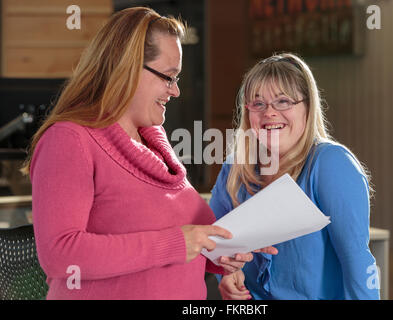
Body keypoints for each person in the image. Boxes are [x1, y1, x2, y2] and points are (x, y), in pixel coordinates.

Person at [21, 7, 268, 300]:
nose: (175, 91)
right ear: (127, 67)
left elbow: (182, 240)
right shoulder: (70, 139)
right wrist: (178, 243)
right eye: (168, 77)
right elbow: (61, 254)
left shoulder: (154, 143)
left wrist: (220, 253)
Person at [209, 53, 380, 300]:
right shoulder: (235, 169)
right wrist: (224, 275)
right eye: (258, 104)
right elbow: (213, 243)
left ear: (308, 108)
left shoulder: (330, 163)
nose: (269, 113)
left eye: (283, 101)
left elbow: (356, 263)